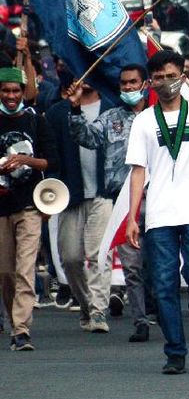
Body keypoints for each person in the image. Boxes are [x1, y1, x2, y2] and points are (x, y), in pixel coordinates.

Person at [124, 50, 189, 375]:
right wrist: (132, 217)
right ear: (150, 82)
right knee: (164, 284)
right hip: (159, 213)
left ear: (182, 78)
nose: (165, 82)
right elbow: (138, 171)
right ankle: (174, 351)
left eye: (171, 76)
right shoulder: (144, 121)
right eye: (159, 78)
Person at [68, 64, 152, 342]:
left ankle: (163, 311)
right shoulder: (111, 117)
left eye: (133, 82)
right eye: (124, 83)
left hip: (157, 197)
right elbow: (86, 137)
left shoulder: (157, 117)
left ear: (145, 84)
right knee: (132, 265)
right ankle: (140, 320)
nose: (128, 87)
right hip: (122, 200)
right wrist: (75, 109)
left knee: (158, 263)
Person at [46, 80, 113, 333]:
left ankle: (98, 311)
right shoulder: (57, 113)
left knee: (98, 255)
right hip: (70, 194)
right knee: (71, 258)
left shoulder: (111, 108)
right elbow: (50, 154)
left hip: (103, 193)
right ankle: (86, 305)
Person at [0, 66, 58, 352]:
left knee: (25, 268)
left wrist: (25, 160)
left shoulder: (37, 121)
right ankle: (14, 321)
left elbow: (51, 161)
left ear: (24, 92)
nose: (11, 96)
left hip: (29, 205)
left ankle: (21, 329)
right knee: (5, 272)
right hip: (2, 207)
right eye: (6, 90)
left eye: (16, 91)